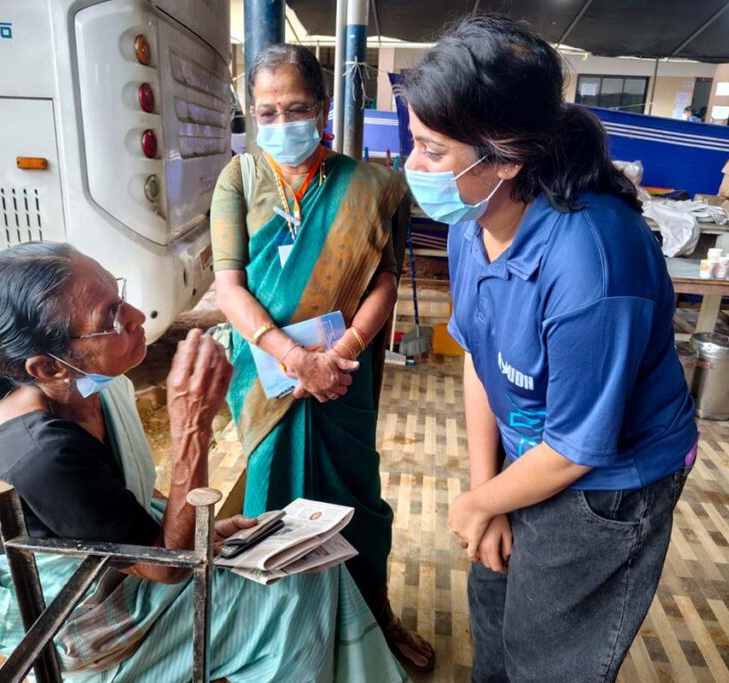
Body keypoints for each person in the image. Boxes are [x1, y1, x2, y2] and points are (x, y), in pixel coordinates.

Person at [0, 242, 408, 682]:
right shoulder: (40, 452)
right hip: (91, 617)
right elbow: (167, 568)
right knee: (299, 595)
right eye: (111, 317)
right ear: (47, 367)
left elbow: (119, 502)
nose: (138, 316)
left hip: (129, 562)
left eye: (118, 295)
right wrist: (190, 428)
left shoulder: (92, 385)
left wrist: (208, 531)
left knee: (307, 563)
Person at [402, 15, 698, 682]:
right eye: (413, 142)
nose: (412, 167)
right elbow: (479, 354)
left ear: (507, 159)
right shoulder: (472, 223)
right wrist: (490, 492)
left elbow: (575, 451)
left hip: (605, 480)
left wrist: (480, 504)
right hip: (527, 450)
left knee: (550, 650)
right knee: (494, 600)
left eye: (433, 151)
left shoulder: (593, 265)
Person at [209, 42, 436, 672]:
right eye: (267, 112)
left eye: (296, 108)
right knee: (270, 503)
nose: (282, 124)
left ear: (324, 106)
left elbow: (385, 281)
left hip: (344, 374)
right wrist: (292, 357)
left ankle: (375, 616)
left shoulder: (374, 186)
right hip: (267, 376)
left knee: (356, 498)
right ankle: (272, 638)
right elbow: (229, 286)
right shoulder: (239, 179)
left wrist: (338, 353)